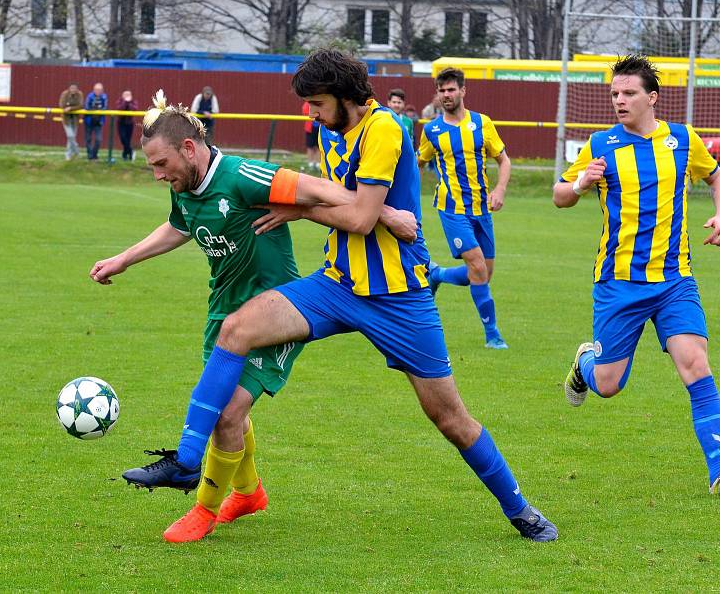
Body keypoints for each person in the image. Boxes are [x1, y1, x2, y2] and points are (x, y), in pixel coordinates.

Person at [121, 49, 558, 544]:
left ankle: (521, 509)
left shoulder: (387, 128)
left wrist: (311, 210)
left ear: (345, 96)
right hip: (335, 285)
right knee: (236, 328)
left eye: (316, 102)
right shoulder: (333, 131)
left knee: (450, 418)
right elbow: (336, 192)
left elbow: (356, 218)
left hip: (400, 299)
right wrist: (357, 210)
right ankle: (186, 460)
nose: (310, 113)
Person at [90, 89, 416, 543]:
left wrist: (386, 214)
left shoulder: (243, 175)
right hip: (224, 313)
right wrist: (124, 259)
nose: (159, 175)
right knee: (228, 414)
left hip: (277, 313)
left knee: (227, 412)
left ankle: (202, 506)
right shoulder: (187, 187)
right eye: (153, 168)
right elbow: (179, 225)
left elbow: (323, 189)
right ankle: (248, 493)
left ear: (189, 148)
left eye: (162, 165)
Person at [555, 54, 720, 498]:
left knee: (696, 365)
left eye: (628, 93)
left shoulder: (682, 140)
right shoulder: (601, 144)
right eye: (614, 94)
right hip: (618, 284)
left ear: (652, 98)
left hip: (674, 280)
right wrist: (581, 184)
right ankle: (585, 363)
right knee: (608, 385)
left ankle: (719, 475)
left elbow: (717, 178)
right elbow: (559, 196)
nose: (619, 101)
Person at [417, 67, 511, 350]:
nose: (446, 95)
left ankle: (438, 274)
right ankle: (492, 334)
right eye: (441, 91)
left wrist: (499, 189)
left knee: (483, 274)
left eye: (451, 90)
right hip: (452, 209)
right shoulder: (431, 130)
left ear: (462, 91)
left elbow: (504, 161)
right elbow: (416, 164)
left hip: (482, 209)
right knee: (478, 268)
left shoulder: (482, 123)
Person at [58, 82, 83, 161]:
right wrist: (69, 108)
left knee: (71, 137)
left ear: (77, 89)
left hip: (75, 119)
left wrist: (70, 108)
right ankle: (76, 150)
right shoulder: (64, 94)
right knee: (70, 136)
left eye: (75, 88)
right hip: (66, 119)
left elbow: (81, 105)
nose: (73, 90)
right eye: (72, 88)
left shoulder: (80, 94)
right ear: (69, 89)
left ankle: (68, 154)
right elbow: (61, 105)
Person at [84, 82, 108, 160]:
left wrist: (97, 109)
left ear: (102, 90)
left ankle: (94, 154)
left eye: (99, 89)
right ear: (94, 90)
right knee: (88, 139)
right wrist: (95, 109)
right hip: (89, 121)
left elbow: (105, 107)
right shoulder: (90, 96)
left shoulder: (104, 97)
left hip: (98, 121)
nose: (98, 91)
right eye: (96, 89)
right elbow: (87, 107)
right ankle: (90, 155)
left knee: (98, 139)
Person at [115, 90, 139, 161]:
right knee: (123, 138)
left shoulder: (134, 101)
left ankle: (125, 155)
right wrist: (125, 102)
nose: (127, 96)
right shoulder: (119, 101)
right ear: (122, 95)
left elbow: (135, 109)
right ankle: (130, 151)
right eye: (125, 95)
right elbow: (120, 108)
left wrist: (129, 103)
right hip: (121, 122)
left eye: (128, 95)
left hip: (130, 123)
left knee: (128, 140)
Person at [302, 100, 320, 170]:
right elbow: (305, 111)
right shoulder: (308, 102)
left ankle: (318, 162)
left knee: (319, 146)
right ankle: (310, 162)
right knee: (310, 146)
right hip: (310, 128)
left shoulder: (319, 101)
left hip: (319, 127)